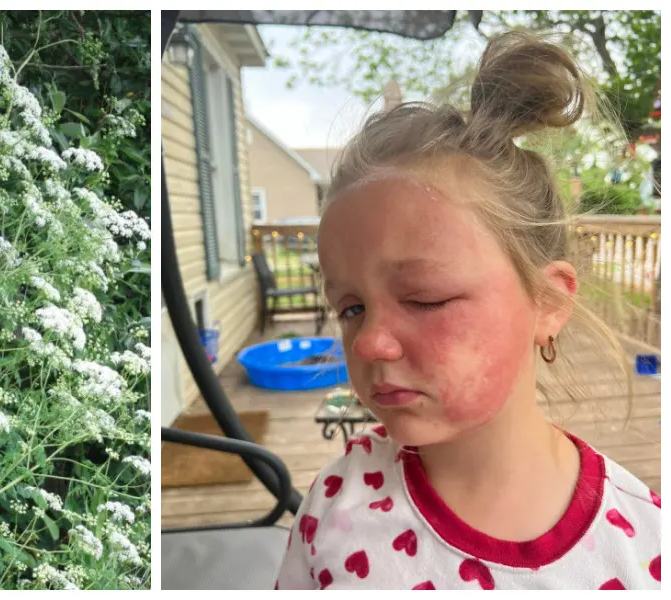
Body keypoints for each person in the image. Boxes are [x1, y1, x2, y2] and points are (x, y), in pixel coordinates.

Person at [274, 30, 661, 590]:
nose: (367, 343)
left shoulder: (645, 544)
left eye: (425, 298)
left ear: (549, 302)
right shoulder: (335, 507)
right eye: (351, 307)